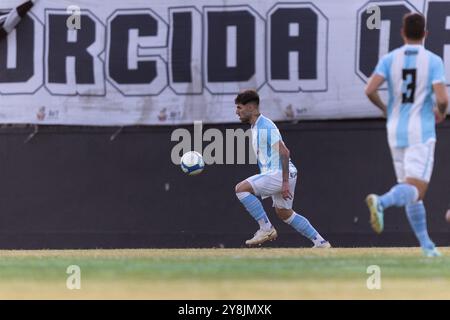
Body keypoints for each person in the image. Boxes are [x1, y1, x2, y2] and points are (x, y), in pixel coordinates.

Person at [364, 13, 448, 257]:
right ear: (425, 33)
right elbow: (442, 98)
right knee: (416, 189)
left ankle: (426, 246)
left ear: (402, 32)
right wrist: (440, 112)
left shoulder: (390, 58)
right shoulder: (432, 60)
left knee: (409, 188)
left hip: (395, 129)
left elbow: (369, 89)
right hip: (420, 130)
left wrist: (385, 109)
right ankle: (381, 202)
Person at [234, 89, 331, 248]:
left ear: (251, 107)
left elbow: (285, 152)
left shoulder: (265, 126)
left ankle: (266, 228)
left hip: (279, 173)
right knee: (284, 213)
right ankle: (320, 242)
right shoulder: (256, 127)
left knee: (241, 189)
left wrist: (284, 183)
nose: (236, 112)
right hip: (283, 174)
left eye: (239, 107)